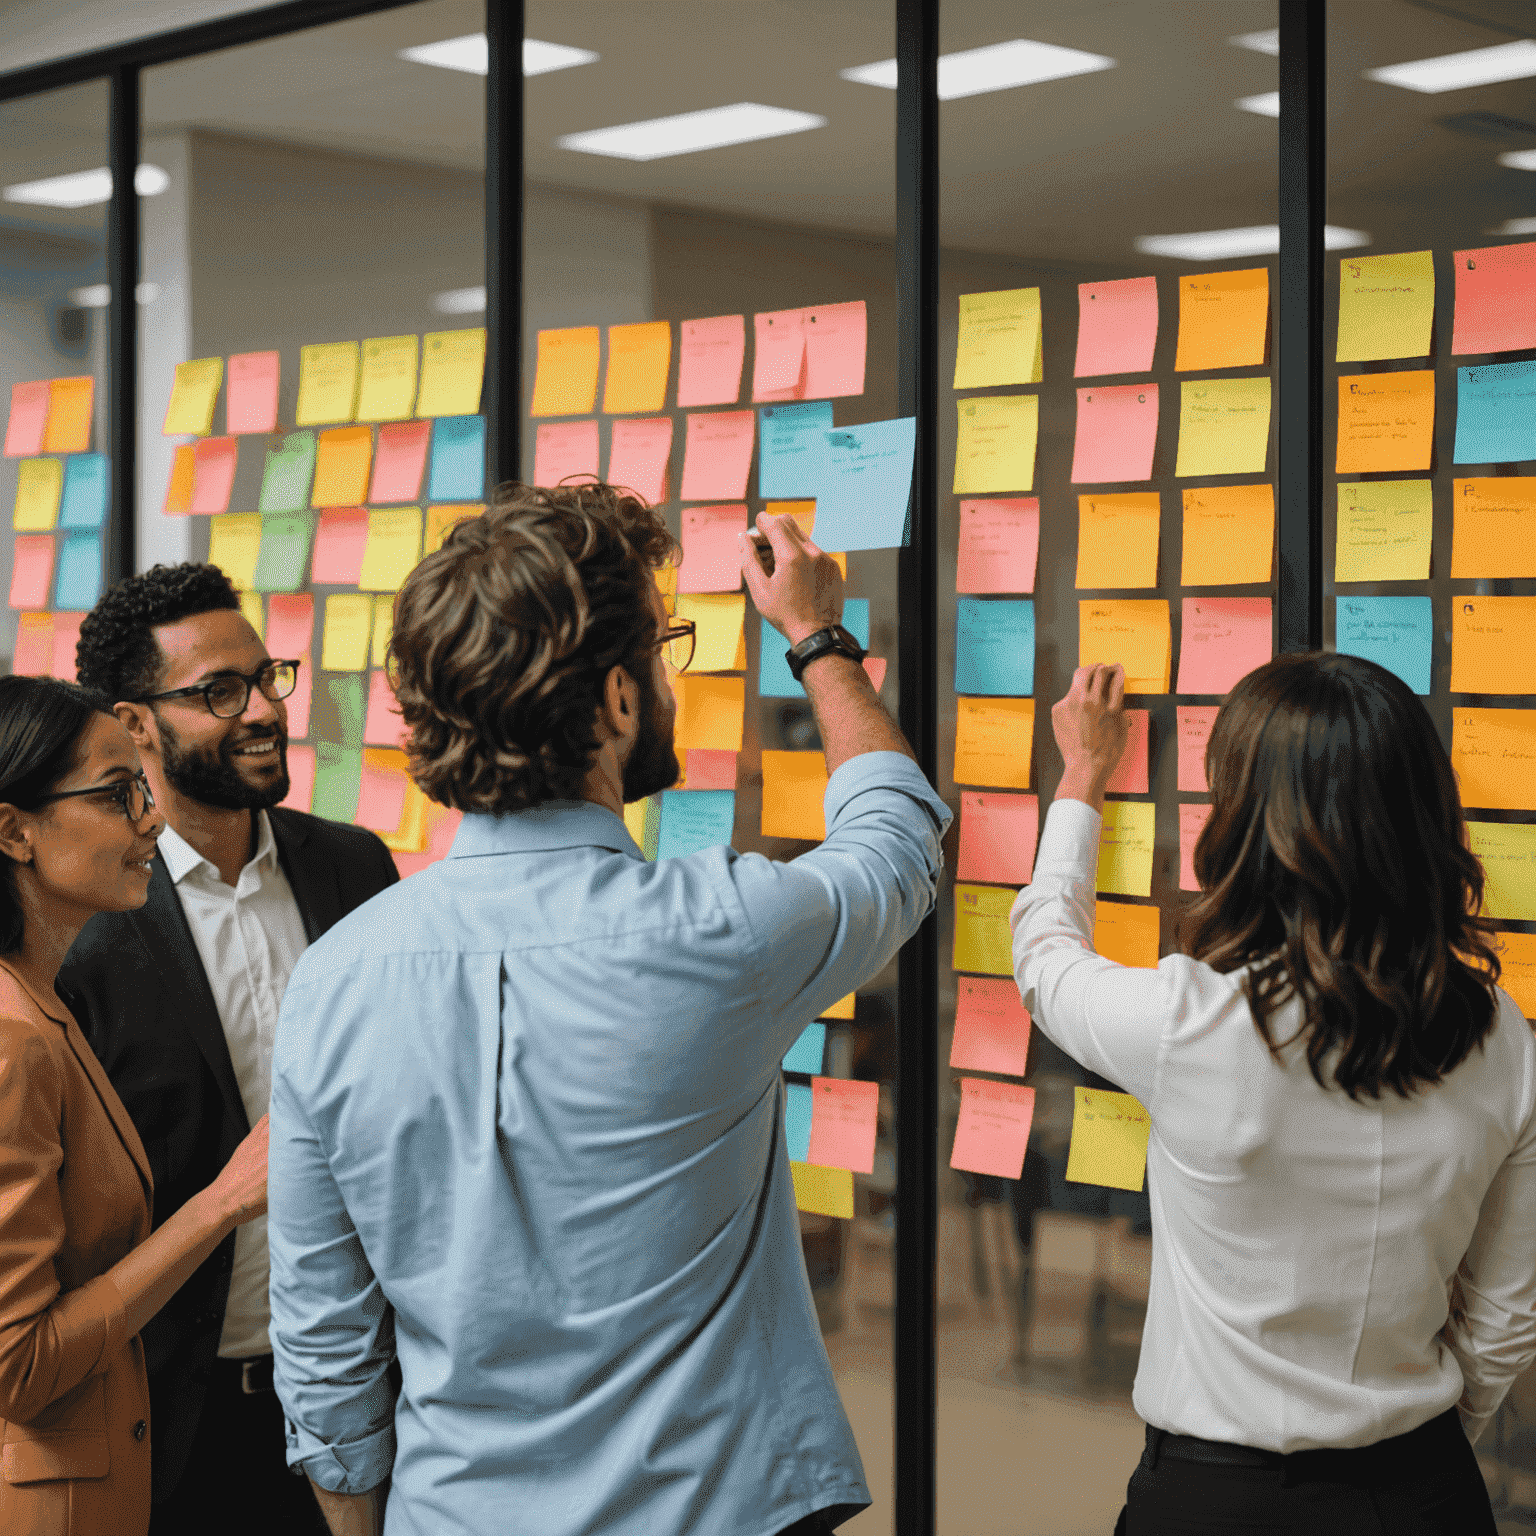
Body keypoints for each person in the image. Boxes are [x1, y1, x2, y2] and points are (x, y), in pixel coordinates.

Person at [265, 483, 950, 1536]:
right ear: (620, 703)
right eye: (663, 650)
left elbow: (325, 1346)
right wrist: (814, 637)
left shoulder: (333, 980)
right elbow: (897, 841)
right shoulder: (724, 931)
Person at [1011, 654, 1536, 1535]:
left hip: (1217, 1502)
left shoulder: (1193, 1021)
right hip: (1425, 1494)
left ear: (1248, 824)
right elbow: (1505, 1315)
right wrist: (1411, 1438)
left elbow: (1045, 961)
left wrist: (1083, 777)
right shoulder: (1500, 1035)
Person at [56, 564, 399, 1536]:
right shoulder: (89, 922)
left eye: (267, 677)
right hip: (173, 1424)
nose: (262, 710)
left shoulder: (355, 866)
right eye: (219, 692)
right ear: (135, 726)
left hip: (369, 1401)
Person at [0, 675, 268, 1536]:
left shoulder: (42, 1002)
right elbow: (19, 1365)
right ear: (14, 830)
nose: (153, 820)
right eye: (120, 796)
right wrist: (223, 1204)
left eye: (144, 791)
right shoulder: (15, 1037)